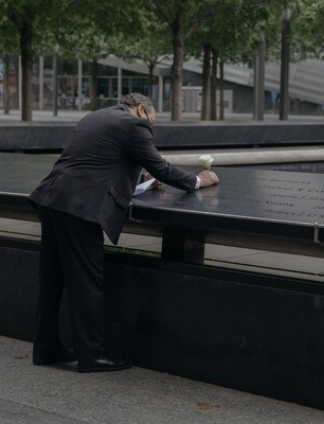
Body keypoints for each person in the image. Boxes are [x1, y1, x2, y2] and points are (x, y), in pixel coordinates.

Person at [28, 93, 219, 373]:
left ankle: (46, 348)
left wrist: (141, 182)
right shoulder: (134, 125)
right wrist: (196, 180)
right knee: (87, 283)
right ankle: (91, 355)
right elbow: (160, 165)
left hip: (52, 198)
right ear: (142, 110)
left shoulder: (96, 116)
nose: (151, 130)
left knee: (52, 280)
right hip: (79, 207)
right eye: (152, 123)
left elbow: (98, 163)